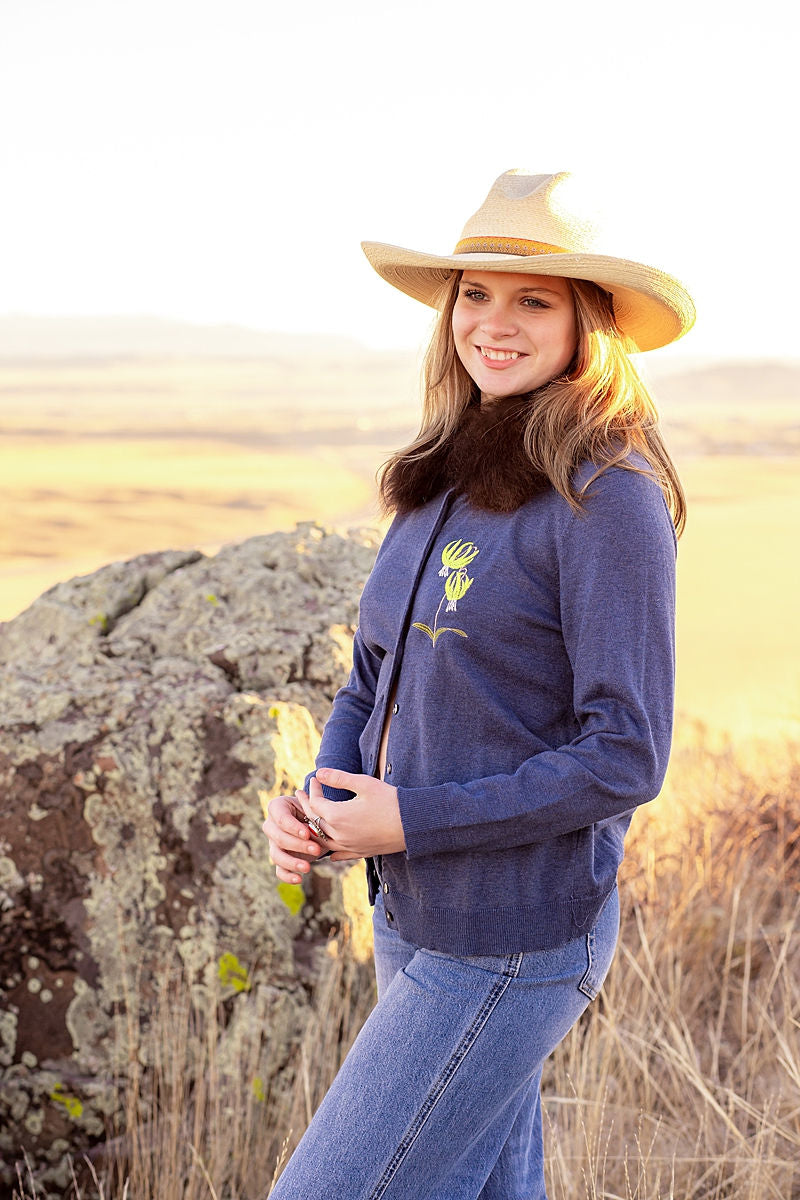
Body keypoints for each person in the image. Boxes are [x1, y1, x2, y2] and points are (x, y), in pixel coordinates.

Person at [263, 169, 694, 1199]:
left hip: (513, 938)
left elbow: (625, 756)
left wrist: (407, 819)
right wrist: (321, 807)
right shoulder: (435, 476)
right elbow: (375, 678)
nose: (491, 323)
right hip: (412, 920)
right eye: (474, 293)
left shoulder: (606, 496)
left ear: (589, 321)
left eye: (531, 298)